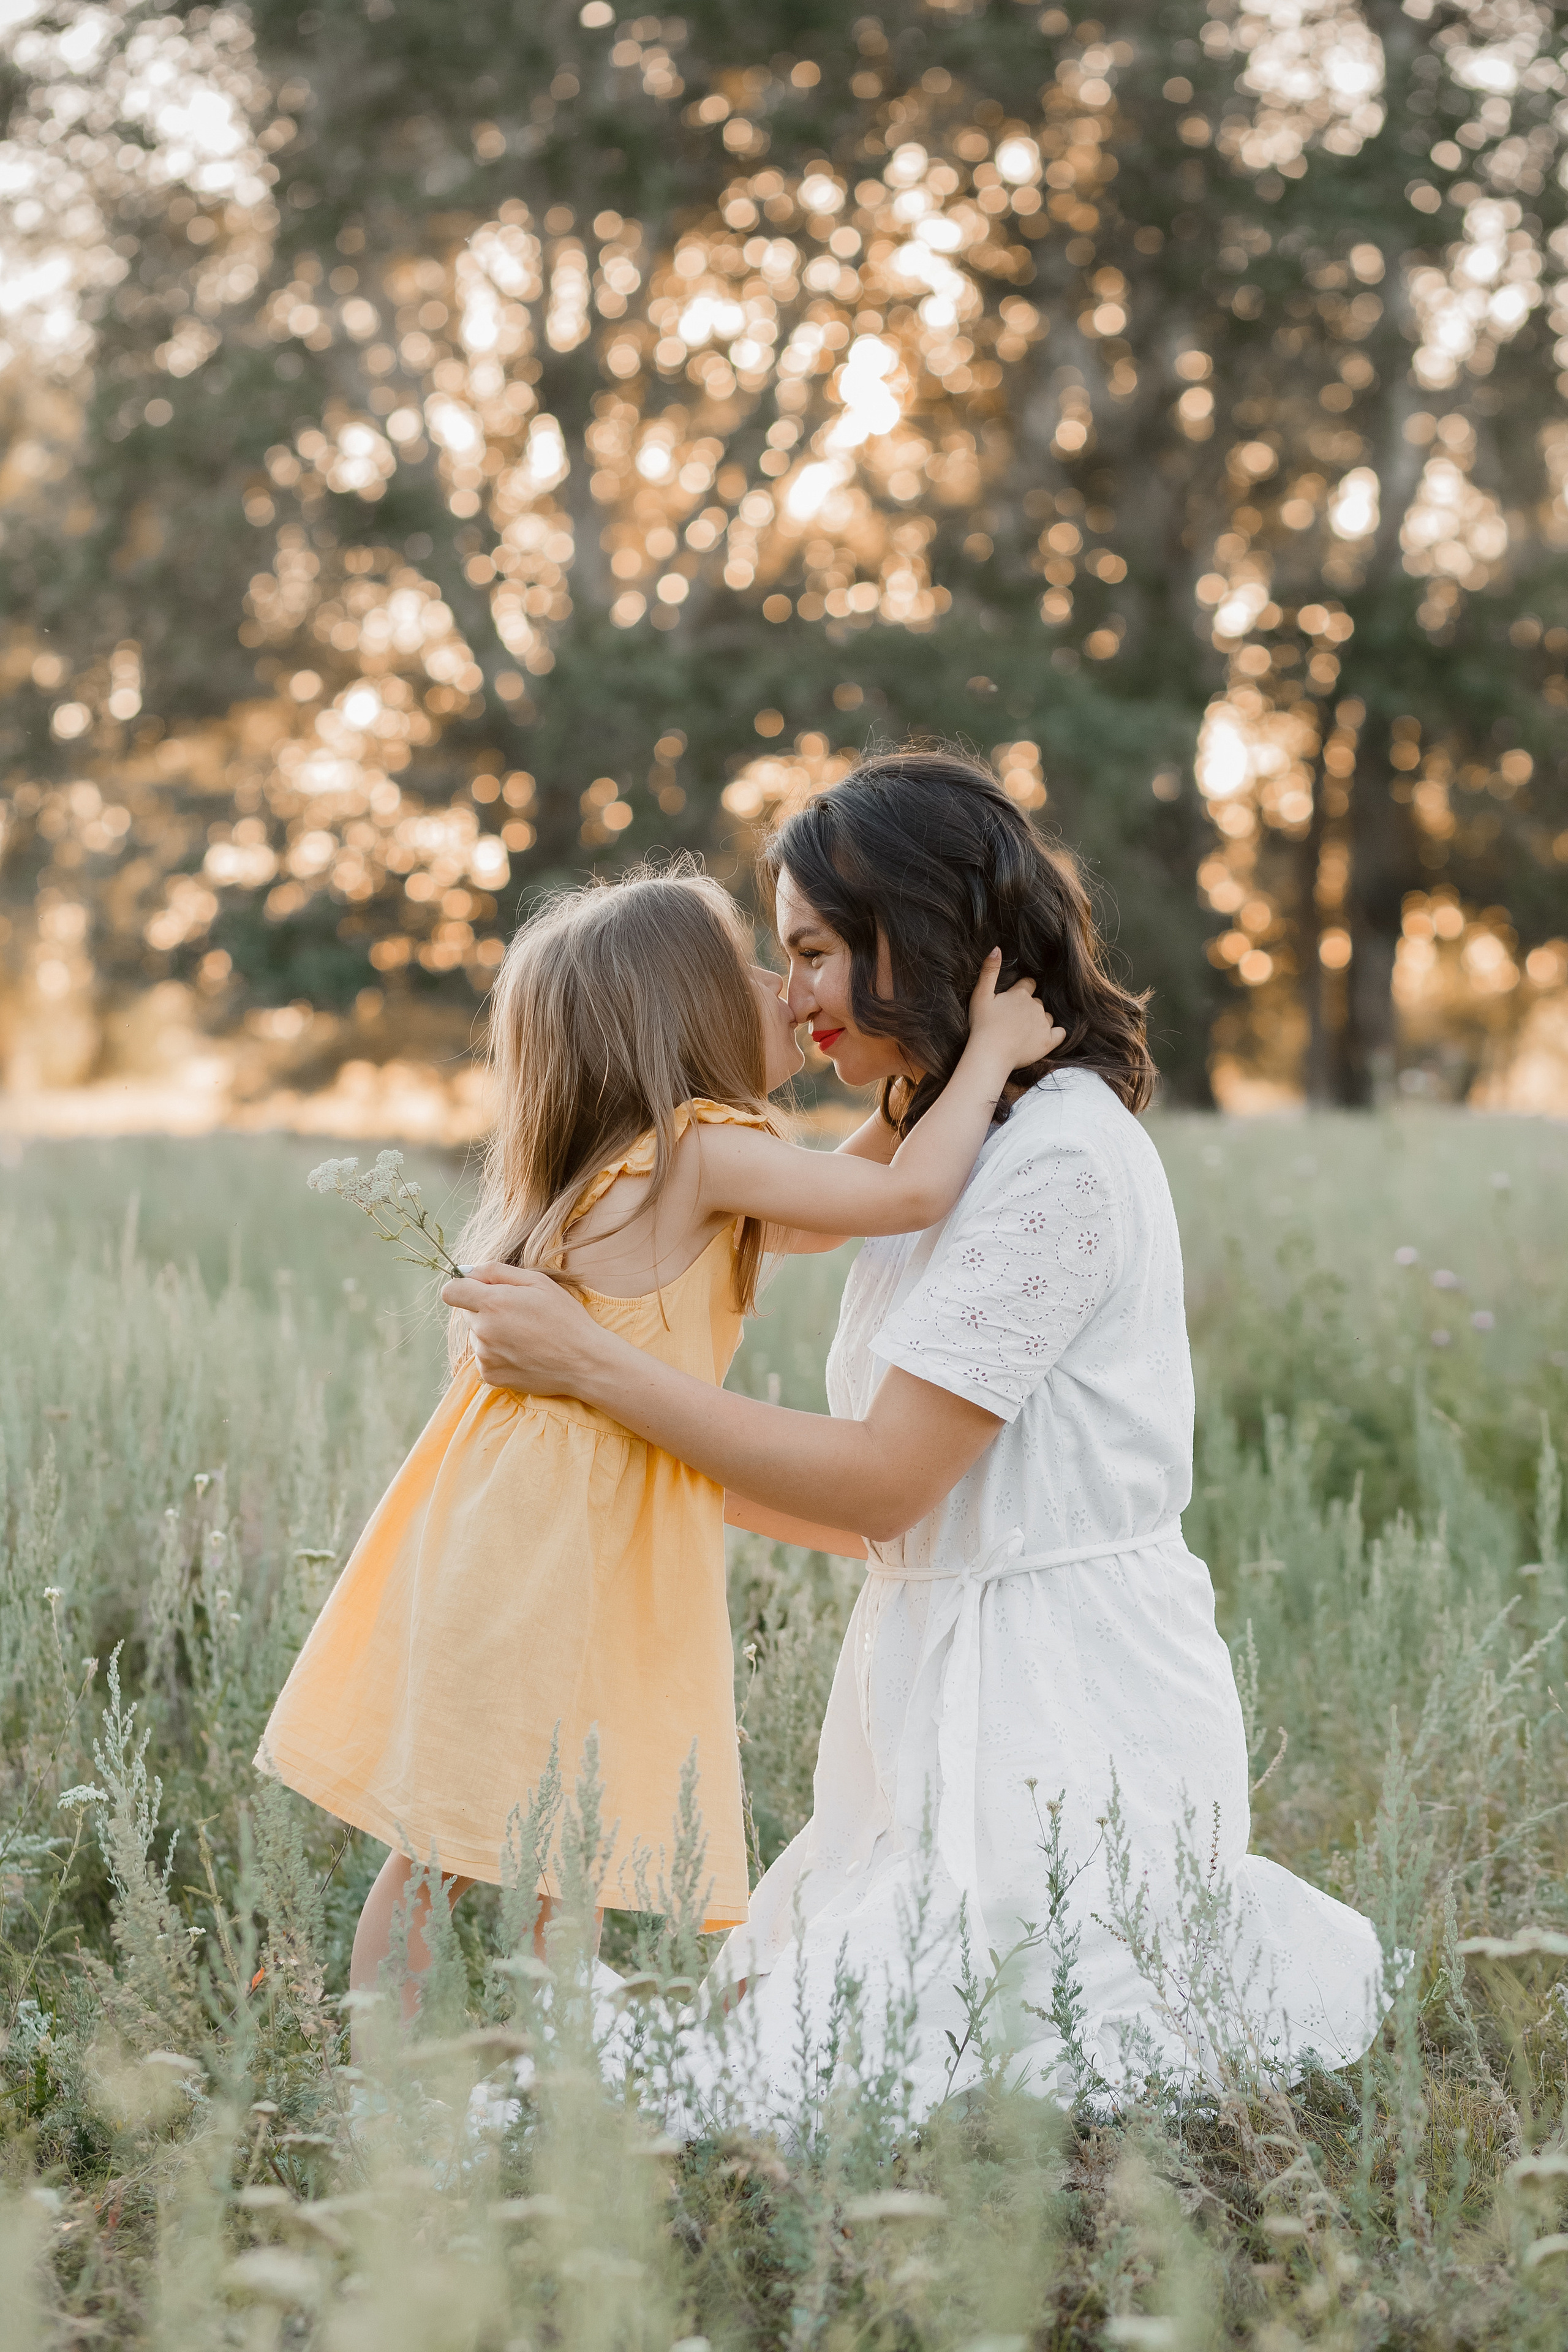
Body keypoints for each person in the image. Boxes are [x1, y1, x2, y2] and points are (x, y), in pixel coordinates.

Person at [443, 752, 1385, 2113]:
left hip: (1062, 1710)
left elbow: (885, 1480)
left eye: (817, 951)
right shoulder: (951, 1144)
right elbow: (880, 1518)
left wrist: (595, 1371)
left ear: (926, 940)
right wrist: (609, 1459)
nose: (795, 999)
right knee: (789, 2026)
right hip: (934, 1687)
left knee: (867, 2067)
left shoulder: (1055, 1164)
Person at [257, 862, 1058, 2041]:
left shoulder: (638, 1167)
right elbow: (906, 1200)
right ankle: (413, 2073)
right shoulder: (698, 1149)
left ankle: (431, 2065)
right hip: (557, 1550)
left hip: (522, 1532)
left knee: (489, 1838)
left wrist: (903, 1091)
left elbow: (838, 1190)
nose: (783, 989)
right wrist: (985, 1055)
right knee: (495, 1838)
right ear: (681, 1018)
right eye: (750, 968)